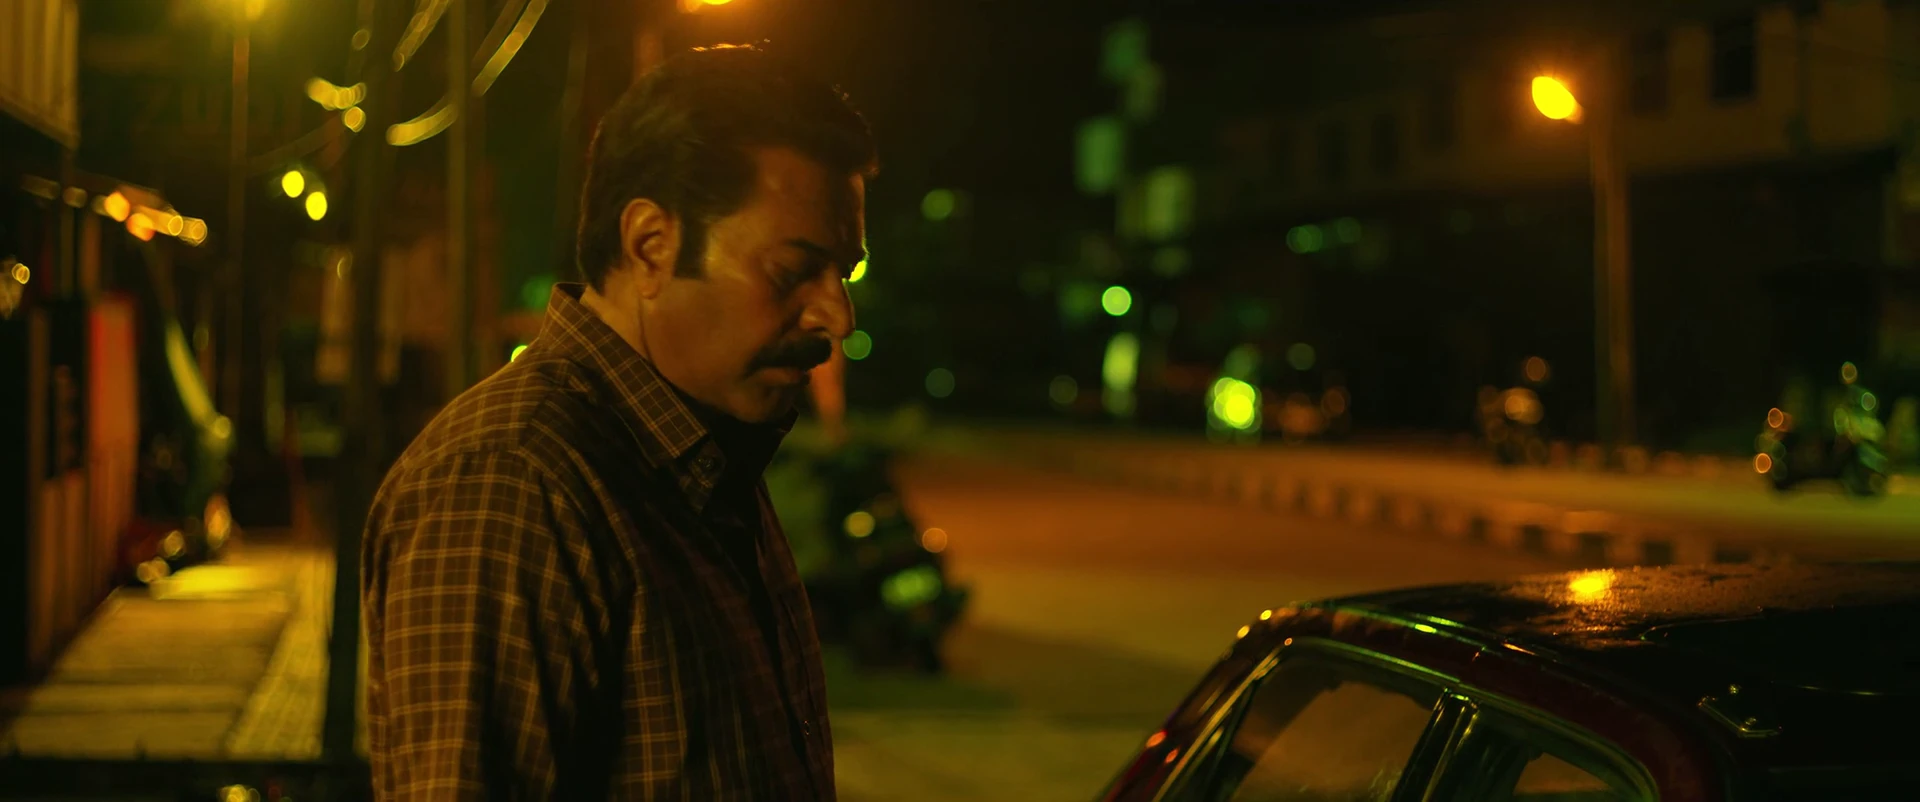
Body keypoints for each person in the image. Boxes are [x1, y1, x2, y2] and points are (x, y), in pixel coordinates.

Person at [361, 45, 875, 800]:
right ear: (650, 247)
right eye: (792, 271)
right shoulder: (514, 487)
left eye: (844, 272)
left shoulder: (702, 457)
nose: (836, 314)